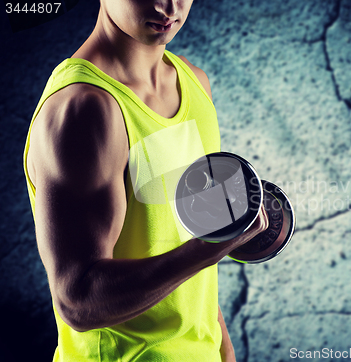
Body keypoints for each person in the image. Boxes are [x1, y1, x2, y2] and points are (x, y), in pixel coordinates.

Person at [22, 0, 268, 361]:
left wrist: (223, 353)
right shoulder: (84, 108)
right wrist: (209, 249)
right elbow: (78, 300)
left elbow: (189, 273)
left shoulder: (194, 83)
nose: (168, 5)